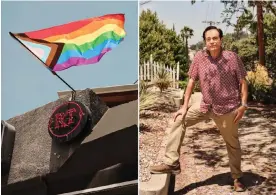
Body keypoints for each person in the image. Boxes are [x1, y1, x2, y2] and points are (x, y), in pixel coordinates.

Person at [149, 26, 248, 192]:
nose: (212, 42)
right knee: (179, 120)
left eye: (215, 38)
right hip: (205, 105)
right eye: (208, 39)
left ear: (221, 39)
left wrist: (243, 105)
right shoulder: (199, 57)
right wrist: (184, 107)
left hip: (227, 108)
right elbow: (191, 82)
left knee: (232, 144)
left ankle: (237, 177)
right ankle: (171, 162)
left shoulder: (232, 58)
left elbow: (243, 82)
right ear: (205, 41)